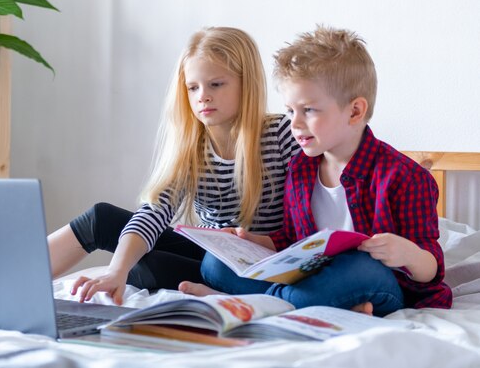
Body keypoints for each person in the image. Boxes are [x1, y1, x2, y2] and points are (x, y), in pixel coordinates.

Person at [180, 26, 452, 316]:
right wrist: (253, 243)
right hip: (313, 278)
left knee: (357, 267)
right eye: (289, 111)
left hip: (378, 281)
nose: (295, 124)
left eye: (308, 110)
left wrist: (407, 254)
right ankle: (310, 304)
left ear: (355, 111)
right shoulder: (301, 168)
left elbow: (431, 269)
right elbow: (293, 240)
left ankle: (250, 303)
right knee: (214, 263)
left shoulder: (405, 177)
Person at [47, 26, 300, 305]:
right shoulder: (191, 146)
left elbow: (306, 217)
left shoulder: (281, 134)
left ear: (246, 83)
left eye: (216, 84)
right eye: (193, 87)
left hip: (258, 262)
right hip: (213, 254)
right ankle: (16, 279)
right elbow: (155, 212)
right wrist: (117, 270)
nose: (202, 96)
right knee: (101, 218)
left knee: (153, 265)